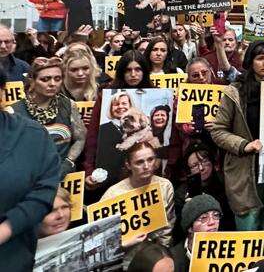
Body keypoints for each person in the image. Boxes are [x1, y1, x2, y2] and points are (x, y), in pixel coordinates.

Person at [211, 41, 264, 230]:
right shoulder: (234, 91)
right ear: (250, 61)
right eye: (260, 58)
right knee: (248, 225)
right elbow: (218, 131)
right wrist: (244, 145)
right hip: (244, 169)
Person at [0, 66, 61, 271]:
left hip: (13, 255)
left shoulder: (32, 136)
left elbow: (43, 192)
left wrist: (7, 228)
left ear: (2, 91)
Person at [85, 51, 153, 191]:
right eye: (128, 70)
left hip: (144, 176)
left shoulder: (154, 93)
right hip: (110, 177)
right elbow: (92, 138)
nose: (133, 74)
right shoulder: (104, 97)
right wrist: (89, 170)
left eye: (138, 69)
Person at [101, 142, 175, 266]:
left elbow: (167, 227)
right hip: (124, 260)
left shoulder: (164, 186)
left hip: (156, 258)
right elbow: (102, 240)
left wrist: (163, 256)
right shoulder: (113, 194)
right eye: (139, 162)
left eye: (150, 159)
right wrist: (123, 244)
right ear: (128, 165)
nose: (146, 166)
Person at [11, 57, 85, 177]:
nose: (52, 84)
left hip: (63, 175)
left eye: (57, 79)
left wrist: (69, 161)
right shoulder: (13, 112)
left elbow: (80, 138)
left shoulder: (68, 104)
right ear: (32, 81)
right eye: (45, 79)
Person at [173, 142, 234, 244]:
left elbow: (230, 222)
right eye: (195, 166)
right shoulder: (182, 193)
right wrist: (187, 209)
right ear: (189, 170)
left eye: (204, 161)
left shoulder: (225, 185)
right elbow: (178, 232)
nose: (201, 168)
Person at [171, 193, 223, 272]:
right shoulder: (173, 260)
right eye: (204, 218)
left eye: (215, 215)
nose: (212, 222)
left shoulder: (229, 249)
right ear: (190, 228)